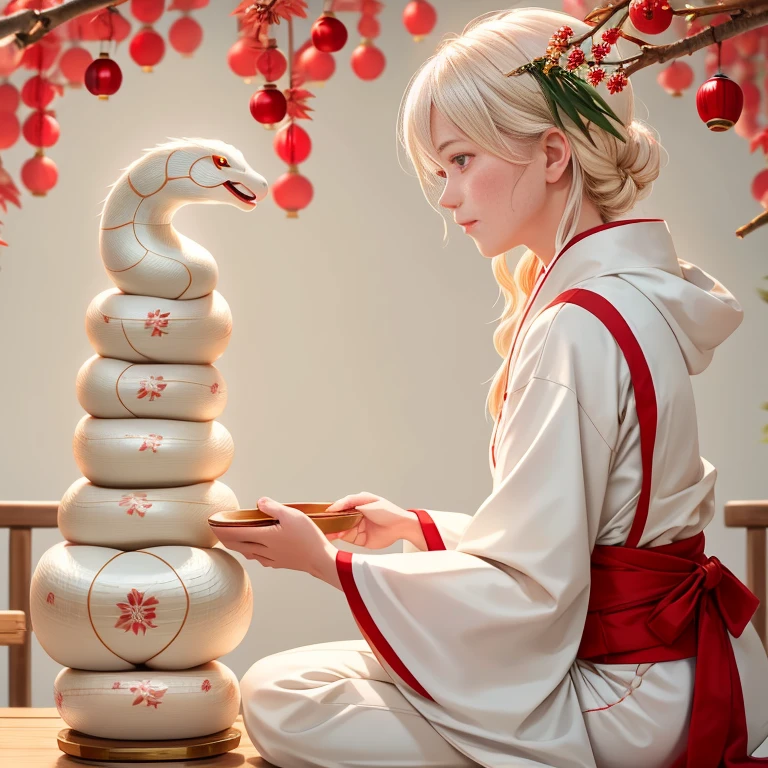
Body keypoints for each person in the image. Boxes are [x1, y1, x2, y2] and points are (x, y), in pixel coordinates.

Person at [212, 8, 768, 767]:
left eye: (461, 160)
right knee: (295, 683)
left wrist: (330, 562)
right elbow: (581, 551)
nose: (447, 195)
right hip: (678, 666)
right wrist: (418, 530)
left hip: (627, 690)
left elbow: (537, 593)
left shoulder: (577, 325)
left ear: (551, 153)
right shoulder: (630, 293)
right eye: (441, 169)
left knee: (284, 695)